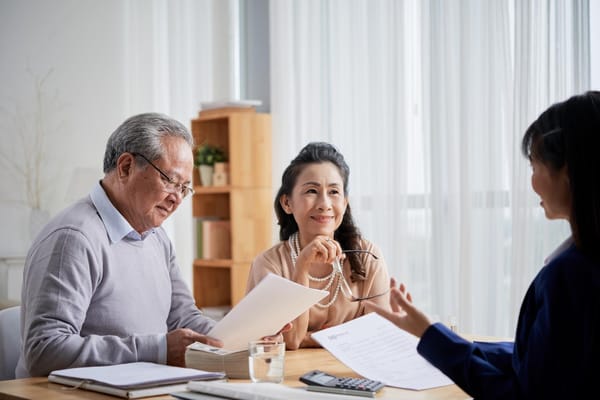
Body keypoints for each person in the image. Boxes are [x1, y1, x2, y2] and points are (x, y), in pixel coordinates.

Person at [368, 91, 600, 399]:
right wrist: (436, 335)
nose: (531, 182)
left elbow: (520, 393)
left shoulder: (569, 275)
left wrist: (430, 336)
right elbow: (538, 359)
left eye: (534, 167)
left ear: (567, 171)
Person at [16, 113, 278, 377]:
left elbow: (183, 318)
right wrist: (158, 349)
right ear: (126, 167)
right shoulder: (74, 237)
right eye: (170, 181)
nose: (177, 198)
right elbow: (44, 350)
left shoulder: (156, 237)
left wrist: (245, 338)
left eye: (185, 188)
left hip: (143, 387)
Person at [246, 142, 391, 350]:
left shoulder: (368, 257)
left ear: (345, 202)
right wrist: (302, 266)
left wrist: (312, 338)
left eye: (334, 192)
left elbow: (378, 333)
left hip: (354, 376)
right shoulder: (269, 264)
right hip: (290, 377)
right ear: (287, 203)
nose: (324, 204)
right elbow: (292, 340)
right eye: (312, 191)